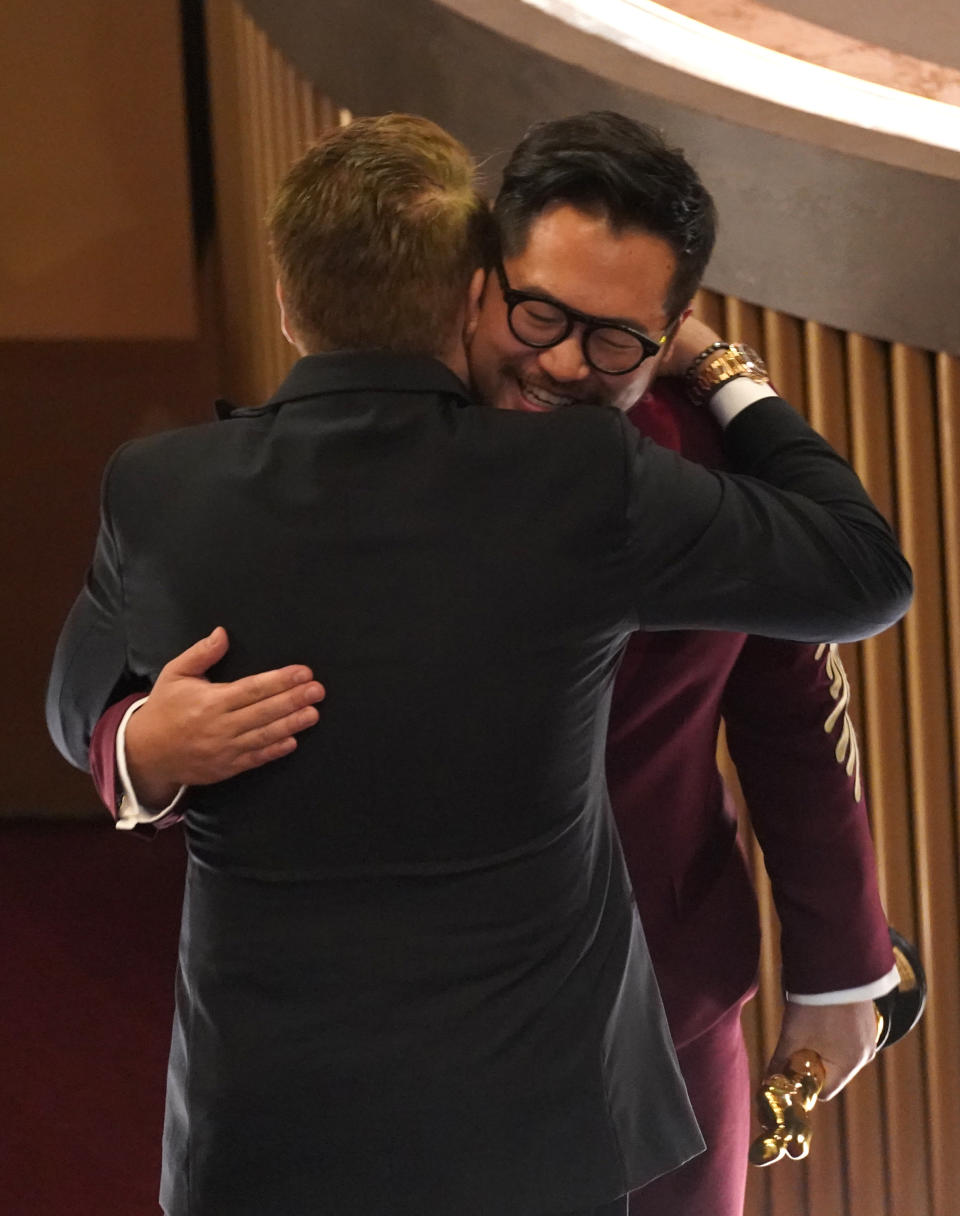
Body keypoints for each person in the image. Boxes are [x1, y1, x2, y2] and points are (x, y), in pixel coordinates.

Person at [47, 113, 911, 1216]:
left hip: (668, 999)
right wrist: (143, 747)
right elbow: (92, 690)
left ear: (671, 331)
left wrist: (842, 962)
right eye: (537, 310)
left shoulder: (688, 461)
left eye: (613, 340)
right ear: (472, 284)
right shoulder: (290, 468)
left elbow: (795, 700)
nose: (559, 360)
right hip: (353, 1056)